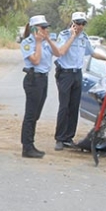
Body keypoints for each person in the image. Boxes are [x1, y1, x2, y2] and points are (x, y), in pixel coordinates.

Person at [52, 12, 106, 151]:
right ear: (72, 23)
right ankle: (59, 138)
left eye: (83, 23)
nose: (81, 26)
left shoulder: (84, 38)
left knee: (74, 107)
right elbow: (61, 51)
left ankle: (68, 138)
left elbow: (92, 52)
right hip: (65, 74)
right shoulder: (64, 35)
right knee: (64, 106)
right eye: (78, 23)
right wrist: (72, 36)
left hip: (77, 74)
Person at [19, 15, 61, 158]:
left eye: (46, 27)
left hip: (43, 78)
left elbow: (58, 53)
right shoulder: (27, 42)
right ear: (34, 28)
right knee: (31, 114)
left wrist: (48, 39)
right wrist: (38, 42)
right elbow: (35, 60)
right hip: (33, 78)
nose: (45, 30)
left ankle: (30, 143)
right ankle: (27, 146)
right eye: (42, 27)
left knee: (36, 114)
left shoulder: (46, 42)